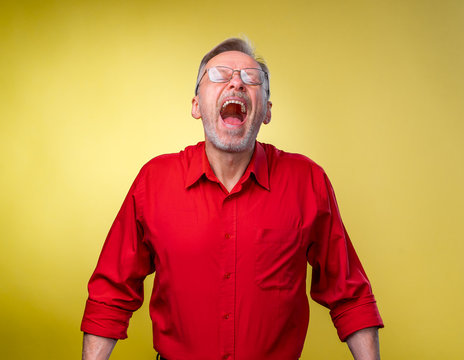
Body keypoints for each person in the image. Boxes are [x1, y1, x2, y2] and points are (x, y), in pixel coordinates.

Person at [81, 37, 384, 360]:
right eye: (219, 75)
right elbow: (110, 294)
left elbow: (350, 296)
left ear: (266, 111)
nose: (236, 82)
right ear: (197, 105)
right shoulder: (153, 181)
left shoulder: (307, 182)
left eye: (251, 78)